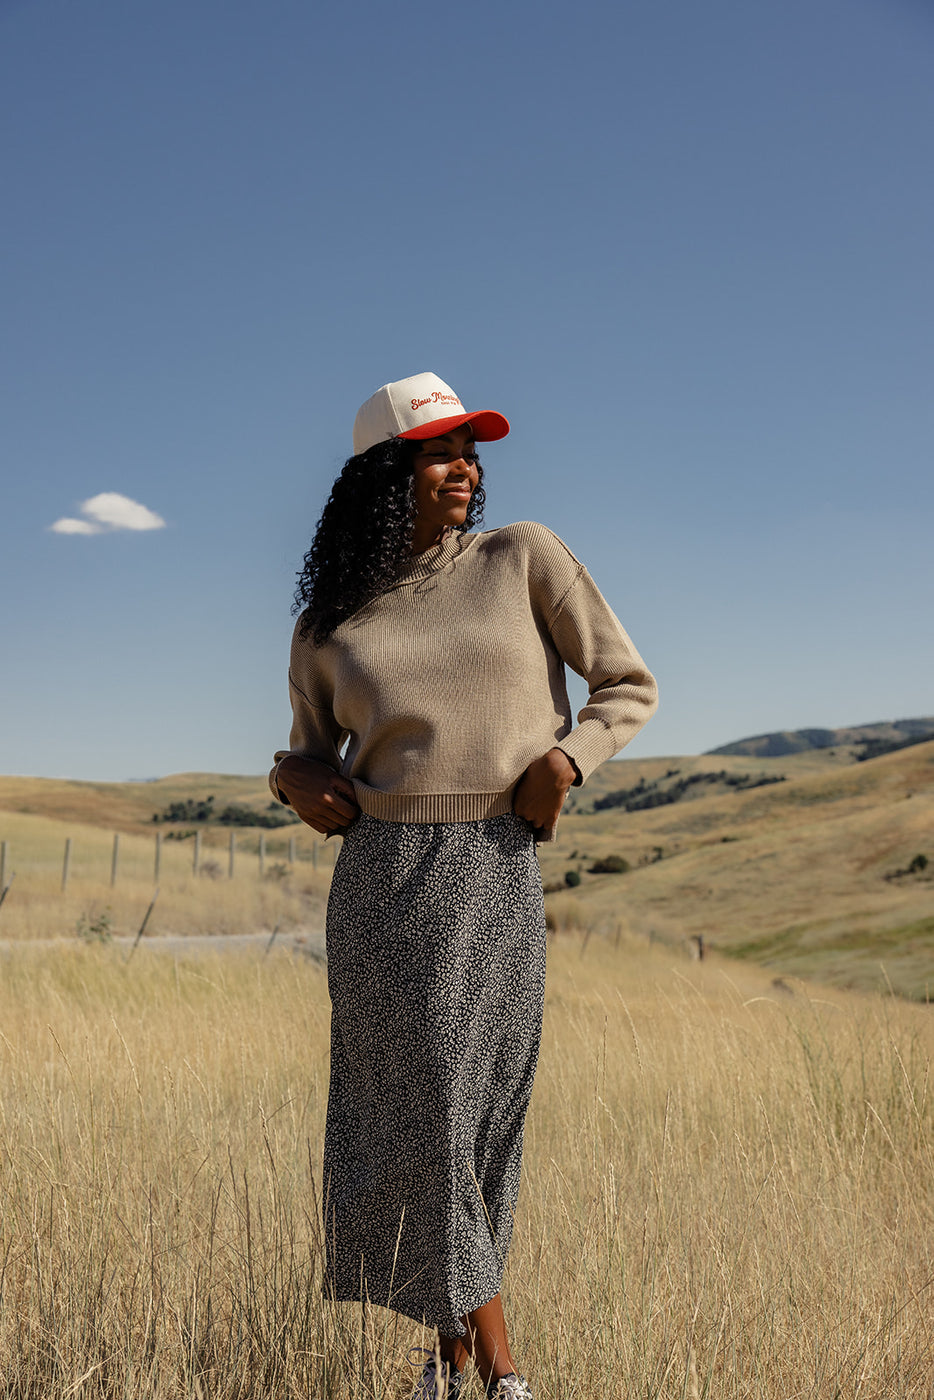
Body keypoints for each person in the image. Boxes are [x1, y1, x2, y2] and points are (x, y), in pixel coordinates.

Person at [270, 372, 658, 1400]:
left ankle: (441, 1365)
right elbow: (308, 756)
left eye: (469, 452)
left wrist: (567, 759)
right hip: (383, 883)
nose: (465, 470)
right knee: (423, 1118)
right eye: (439, 453)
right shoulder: (328, 621)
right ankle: (502, 1371)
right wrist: (287, 777)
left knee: (478, 1119)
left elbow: (628, 685)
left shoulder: (519, 555)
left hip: (493, 872)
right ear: (382, 477)